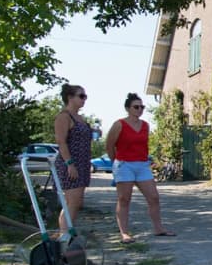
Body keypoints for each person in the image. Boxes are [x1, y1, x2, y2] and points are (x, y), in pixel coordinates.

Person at [105, 93, 175, 242]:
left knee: (153, 197)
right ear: (128, 108)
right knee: (124, 199)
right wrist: (115, 163)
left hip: (142, 165)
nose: (140, 109)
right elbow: (109, 145)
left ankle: (158, 228)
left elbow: (144, 146)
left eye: (142, 107)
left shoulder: (145, 125)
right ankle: (124, 233)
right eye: (136, 107)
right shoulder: (119, 124)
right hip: (124, 164)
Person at [53, 84, 92, 236]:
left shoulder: (80, 118)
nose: (84, 99)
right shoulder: (64, 116)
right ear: (70, 97)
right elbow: (61, 142)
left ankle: (67, 233)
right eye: (81, 96)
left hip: (82, 163)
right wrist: (70, 164)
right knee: (72, 201)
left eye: (85, 96)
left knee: (77, 202)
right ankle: (64, 235)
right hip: (70, 164)